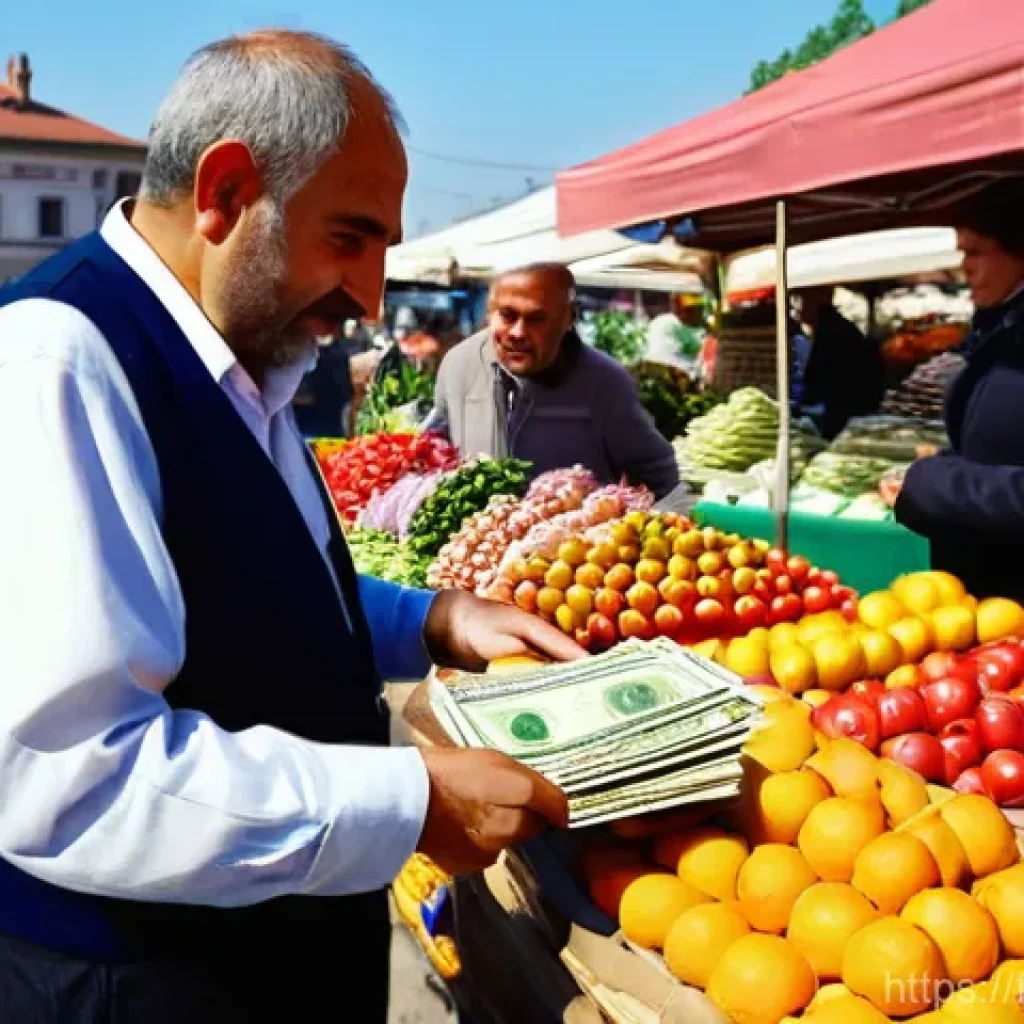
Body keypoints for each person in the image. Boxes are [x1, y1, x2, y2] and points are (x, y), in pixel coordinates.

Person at [0, 30, 584, 1023]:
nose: (369, 297)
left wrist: (431, 618)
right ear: (226, 192)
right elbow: (70, 776)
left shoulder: (241, 362)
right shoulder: (60, 362)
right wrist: (408, 802)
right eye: (349, 239)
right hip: (143, 981)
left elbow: (232, 584)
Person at [427, 263, 680, 498]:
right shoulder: (459, 365)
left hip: (574, 543)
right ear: (489, 314)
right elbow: (432, 449)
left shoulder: (605, 384)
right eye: (507, 316)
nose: (518, 333)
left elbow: (661, 477)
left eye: (536, 319)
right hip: (474, 541)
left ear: (567, 319)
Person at [890, 177, 1024, 601]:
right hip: (988, 593)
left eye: (977, 252)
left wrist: (937, 483)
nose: (964, 267)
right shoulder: (1000, 329)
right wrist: (945, 466)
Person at [799, 285, 885, 439]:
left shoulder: (831, 331)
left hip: (846, 410)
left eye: (803, 300)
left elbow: (815, 380)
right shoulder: (835, 326)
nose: (800, 309)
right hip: (850, 407)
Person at [292, 331, 354, 437]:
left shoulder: (321, 355)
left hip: (317, 429)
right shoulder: (342, 355)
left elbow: (307, 397)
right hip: (327, 429)